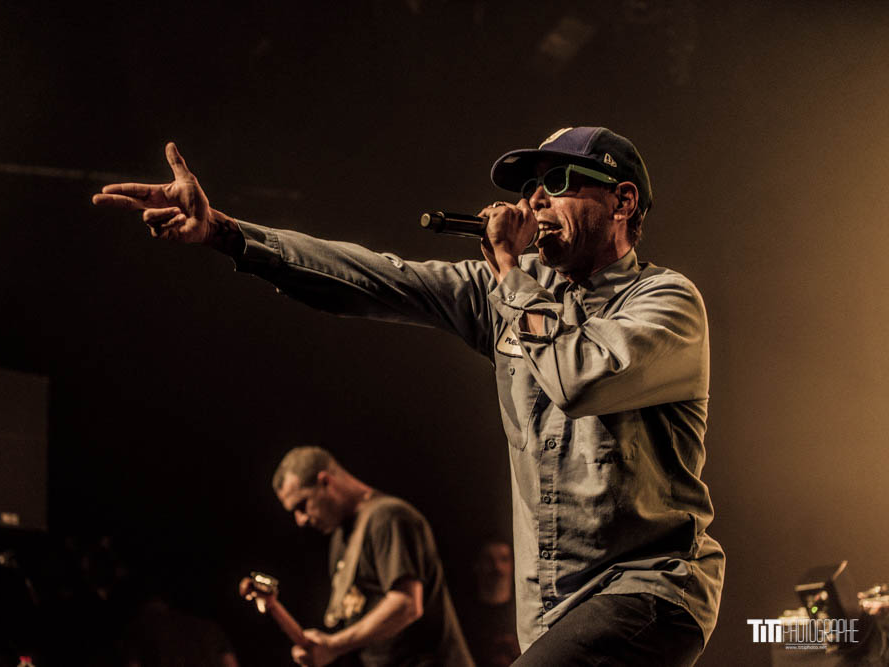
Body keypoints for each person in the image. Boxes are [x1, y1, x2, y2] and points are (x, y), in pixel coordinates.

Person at [93, 125, 725, 665]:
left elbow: (577, 376)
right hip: (552, 614)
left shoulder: (665, 303)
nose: (534, 199)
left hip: (648, 589)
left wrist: (507, 273)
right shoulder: (508, 293)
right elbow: (375, 278)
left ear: (622, 201)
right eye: (530, 187)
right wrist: (228, 234)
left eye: (559, 181)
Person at [269, 446, 473, 666]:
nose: (301, 519)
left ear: (325, 481)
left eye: (302, 505)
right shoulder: (340, 537)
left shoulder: (388, 517)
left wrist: (334, 645)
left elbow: (406, 605)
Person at [457, 539, 521, 667]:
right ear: (476, 565)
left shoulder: (525, 612)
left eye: (504, 559)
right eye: (489, 560)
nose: (497, 567)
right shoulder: (461, 616)